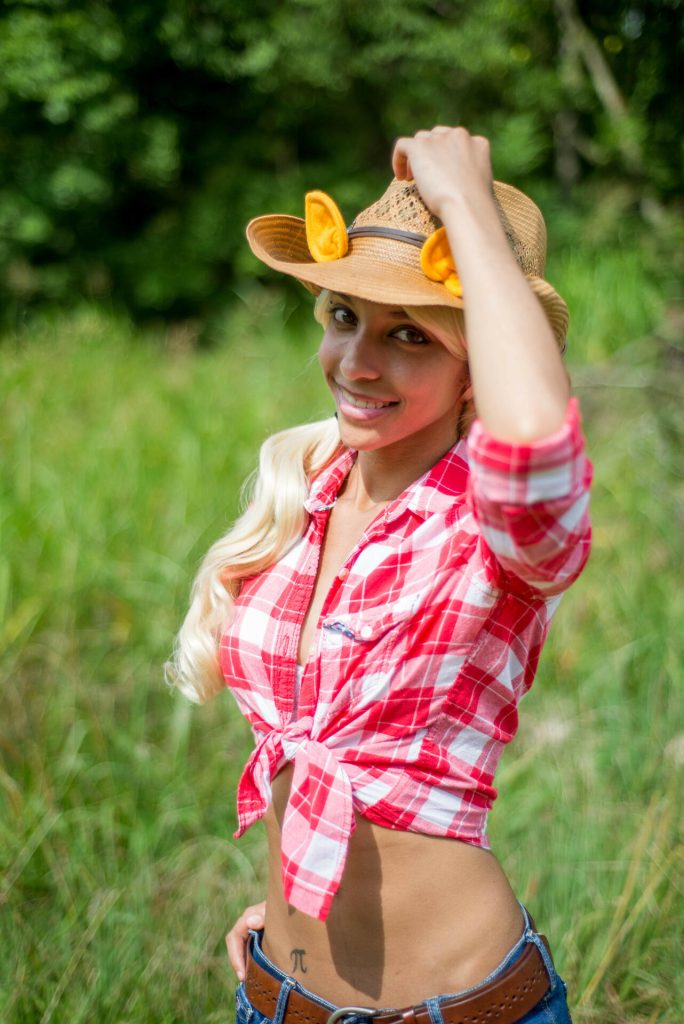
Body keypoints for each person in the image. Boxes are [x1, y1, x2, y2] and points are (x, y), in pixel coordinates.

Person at [169, 126, 592, 1024]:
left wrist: (465, 201)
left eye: (409, 335)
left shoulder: (487, 524)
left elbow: (534, 444)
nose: (357, 363)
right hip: (279, 998)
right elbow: (317, 757)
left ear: (476, 367)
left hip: (461, 1007)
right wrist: (289, 913)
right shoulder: (303, 494)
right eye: (344, 317)